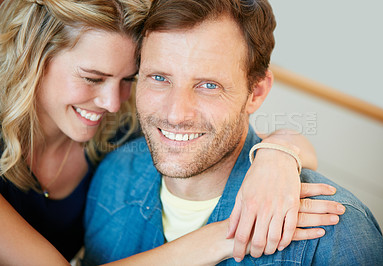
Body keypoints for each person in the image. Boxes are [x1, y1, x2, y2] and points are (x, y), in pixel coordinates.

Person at [0, 0, 342, 264]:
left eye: (129, 80)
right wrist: (228, 236)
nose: (114, 103)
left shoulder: (116, 133)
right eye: (92, 78)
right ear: (32, 58)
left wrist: (277, 157)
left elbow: (220, 136)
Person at [83, 0, 383, 265]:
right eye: (159, 78)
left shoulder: (333, 232)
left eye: (209, 85)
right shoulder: (113, 176)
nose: (175, 114)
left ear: (256, 92)